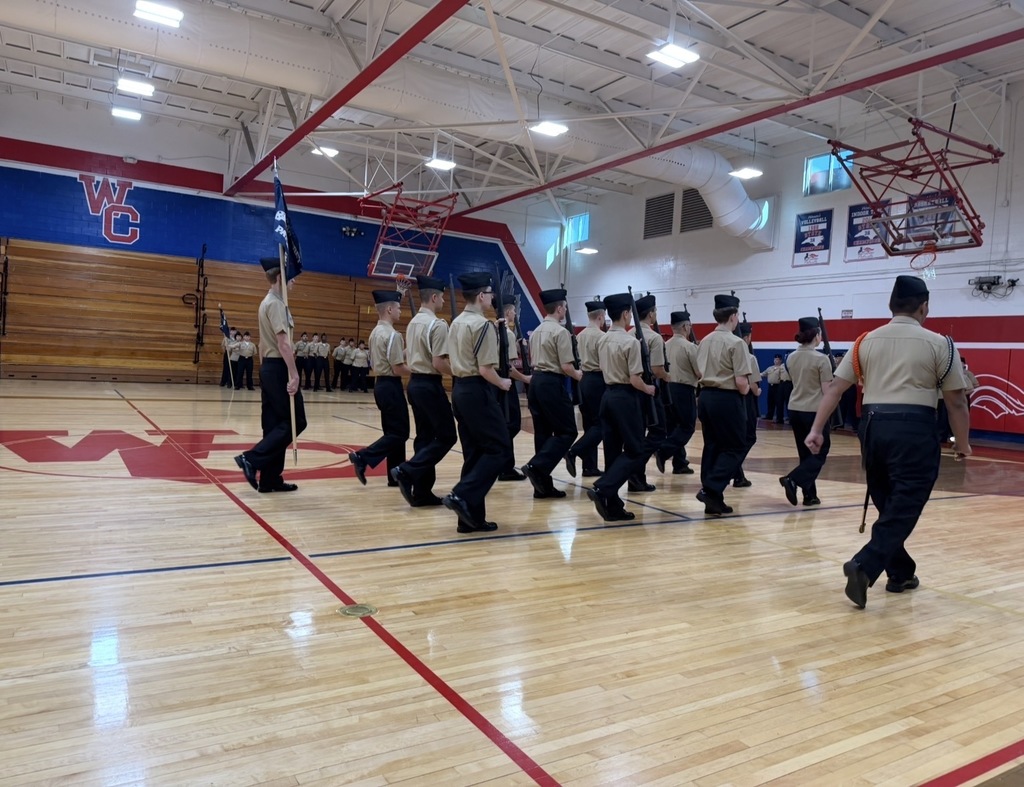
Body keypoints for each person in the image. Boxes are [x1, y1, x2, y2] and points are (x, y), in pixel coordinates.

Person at [806, 275, 971, 610]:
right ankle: (865, 565)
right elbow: (955, 401)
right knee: (907, 501)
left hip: (873, 427)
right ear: (924, 307)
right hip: (914, 428)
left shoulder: (864, 340)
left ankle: (901, 571)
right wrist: (962, 443)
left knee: (887, 499)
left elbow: (835, 389)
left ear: (890, 306)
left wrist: (817, 429)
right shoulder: (941, 344)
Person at [443, 271, 513, 533]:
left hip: (459, 389)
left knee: (474, 453)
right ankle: (462, 494)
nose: (492, 298)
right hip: (477, 390)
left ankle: (469, 519)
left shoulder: (456, 321)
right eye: (490, 294)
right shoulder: (482, 325)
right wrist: (503, 383)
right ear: (482, 295)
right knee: (499, 449)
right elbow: (485, 369)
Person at [234, 257, 307, 493]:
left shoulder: (267, 302)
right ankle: (251, 459)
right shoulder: (276, 304)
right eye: (290, 277)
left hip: (269, 367)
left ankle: (269, 479)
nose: (294, 281)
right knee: (296, 422)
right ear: (279, 279)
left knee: (274, 424)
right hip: (279, 367)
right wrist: (293, 375)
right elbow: (283, 343)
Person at [587, 292, 656, 522]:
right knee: (636, 450)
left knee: (613, 452)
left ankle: (612, 505)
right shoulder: (631, 342)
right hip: (626, 398)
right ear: (626, 314)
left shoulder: (603, 338)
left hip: (607, 396)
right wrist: (649, 389)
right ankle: (604, 487)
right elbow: (635, 379)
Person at [390, 275, 457, 508]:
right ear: (435, 297)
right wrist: (458, 373)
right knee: (448, 435)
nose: (444, 301)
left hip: (414, 383)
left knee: (425, 437)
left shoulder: (413, 322)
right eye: (443, 297)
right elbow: (439, 363)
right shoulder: (437, 324)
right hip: (429, 384)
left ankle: (422, 492)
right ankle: (408, 471)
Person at [695, 294, 750, 517]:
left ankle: (714, 500)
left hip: (705, 397)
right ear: (734, 316)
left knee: (713, 446)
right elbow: (741, 382)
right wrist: (746, 390)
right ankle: (711, 488)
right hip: (727, 398)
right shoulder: (736, 343)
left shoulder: (705, 340)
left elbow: (699, 371)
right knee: (736, 446)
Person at [522, 288, 580, 498]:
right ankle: (537, 466)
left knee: (543, 434)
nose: (565, 310)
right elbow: (566, 366)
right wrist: (581, 376)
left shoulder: (537, 331)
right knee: (568, 431)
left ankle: (542, 487)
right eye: (564, 306)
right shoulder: (561, 332)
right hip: (551, 384)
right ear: (559, 308)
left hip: (536, 383)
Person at [348, 292, 410, 487]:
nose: (400, 311)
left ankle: (395, 475)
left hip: (380, 384)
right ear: (390, 309)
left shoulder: (376, 332)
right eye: (399, 308)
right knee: (400, 433)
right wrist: (417, 370)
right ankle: (363, 457)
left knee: (393, 432)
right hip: (391, 385)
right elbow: (397, 367)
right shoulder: (393, 335)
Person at [778, 317, 833, 507]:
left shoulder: (791, 357)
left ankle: (809, 496)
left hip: (795, 408)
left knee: (805, 453)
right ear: (817, 335)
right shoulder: (821, 359)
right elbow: (827, 392)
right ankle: (792, 479)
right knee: (820, 451)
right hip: (814, 410)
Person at [627, 293, 669, 492]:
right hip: (648, 389)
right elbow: (658, 369)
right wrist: (670, 377)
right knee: (658, 432)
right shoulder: (654, 337)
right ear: (651, 314)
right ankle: (634, 472)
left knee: (636, 434)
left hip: (630, 389)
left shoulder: (628, 334)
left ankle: (636, 477)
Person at [566, 299, 608, 477]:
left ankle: (589, 467)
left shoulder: (579, 335)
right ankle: (575, 451)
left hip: (583, 380)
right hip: (598, 380)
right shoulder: (601, 336)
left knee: (589, 424)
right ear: (601, 316)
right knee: (601, 424)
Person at [657, 310, 699, 474]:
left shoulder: (664, 345)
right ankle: (664, 450)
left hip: (666, 388)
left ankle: (680, 462)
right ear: (685, 326)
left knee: (674, 426)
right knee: (687, 427)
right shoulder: (690, 347)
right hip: (683, 389)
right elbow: (698, 372)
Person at [497, 302, 531, 482]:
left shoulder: (493, 329)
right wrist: (525, 378)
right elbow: (509, 367)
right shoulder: (507, 333)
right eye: (514, 311)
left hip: (494, 383)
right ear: (509, 311)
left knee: (506, 425)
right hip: (505, 383)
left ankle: (503, 465)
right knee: (511, 425)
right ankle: (504, 466)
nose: (515, 314)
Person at [732, 321, 759, 488]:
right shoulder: (749, 357)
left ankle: (738, 475)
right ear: (748, 337)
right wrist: (757, 391)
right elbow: (754, 384)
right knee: (749, 437)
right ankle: (733, 468)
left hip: (730, 399)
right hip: (746, 399)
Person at [763, 355, 786, 422]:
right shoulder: (770, 368)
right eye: (775, 359)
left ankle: (779, 418)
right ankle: (769, 416)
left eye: (778, 359)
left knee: (779, 402)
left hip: (778, 386)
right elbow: (763, 374)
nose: (776, 361)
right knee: (770, 402)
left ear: (780, 360)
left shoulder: (782, 368)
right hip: (771, 386)